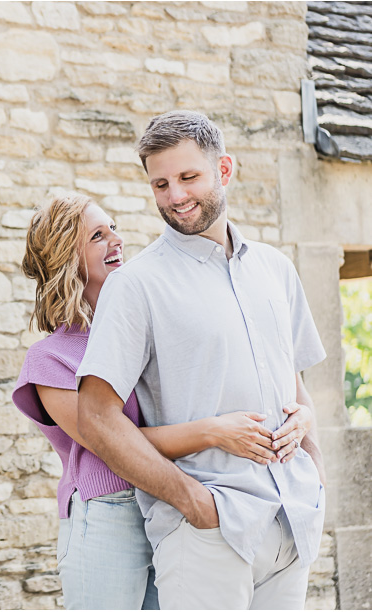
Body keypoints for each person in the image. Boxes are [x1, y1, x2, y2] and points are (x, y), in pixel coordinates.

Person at [75, 110, 326, 610]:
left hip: (292, 519)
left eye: (188, 177)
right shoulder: (136, 285)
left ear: (224, 170)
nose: (175, 196)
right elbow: (96, 419)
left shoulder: (276, 269)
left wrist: (315, 468)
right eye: (161, 184)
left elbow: (293, 381)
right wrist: (192, 502)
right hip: (209, 532)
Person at [12, 192, 309, 610]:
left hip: (169, 503)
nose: (116, 240)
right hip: (109, 516)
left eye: (113, 227)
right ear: (67, 258)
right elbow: (110, 438)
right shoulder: (50, 360)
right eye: (98, 236)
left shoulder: (145, 325)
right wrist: (213, 432)